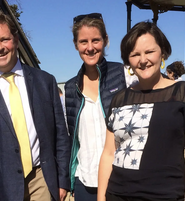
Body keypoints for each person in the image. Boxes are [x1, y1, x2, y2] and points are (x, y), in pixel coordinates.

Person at [0, 11, 70, 201]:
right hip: (1, 187)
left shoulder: (45, 81)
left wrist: (62, 181)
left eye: (5, 39)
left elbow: (60, 135)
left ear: (16, 40)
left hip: (42, 180)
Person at [98, 21, 185, 201]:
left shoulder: (184, 93)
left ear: (162, 52)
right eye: (135, 54)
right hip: (117, 194)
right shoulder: (119, 99)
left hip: (167, 196)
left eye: (149, 52)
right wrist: (101, 198)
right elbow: (109, 153)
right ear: (128, 60)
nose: (143, 60)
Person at [64, 13, 127, 200]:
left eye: (96, 40)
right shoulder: (70, 87)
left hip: (120, 178)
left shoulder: (123, 75)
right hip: (85, 182)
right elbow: (71, 138)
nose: (90, 48)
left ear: (105, 40)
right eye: (83, 42)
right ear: (76, 44)